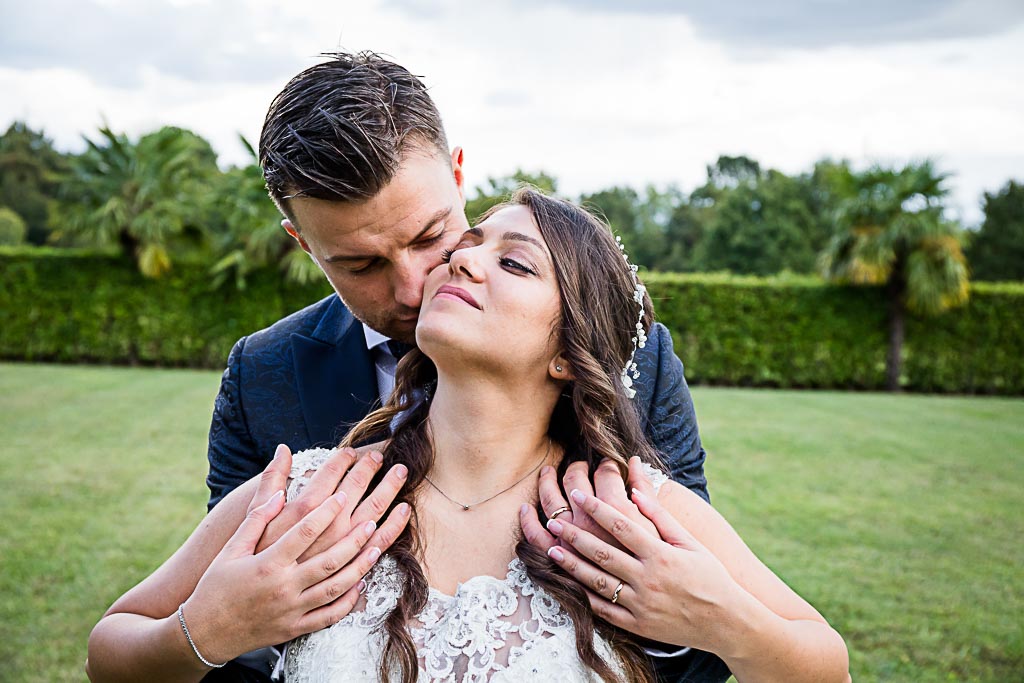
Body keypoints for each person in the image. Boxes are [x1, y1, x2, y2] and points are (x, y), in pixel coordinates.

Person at [87, 189, 851, 682]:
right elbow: (111, 646)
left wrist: (715, 616)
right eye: (470, 242)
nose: (463, 259)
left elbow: (829, 668)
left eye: (512, 261)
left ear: (566, 352)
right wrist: (205, 630)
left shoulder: (633, 512)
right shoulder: (314, 492)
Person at [197, 52, 721, 681]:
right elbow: (242, 640)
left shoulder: (629, 353)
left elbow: (693, 642)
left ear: (459, 174)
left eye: (429, 237)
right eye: (362, 265)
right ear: (303, 243)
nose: (416, 288)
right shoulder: (263, 376)